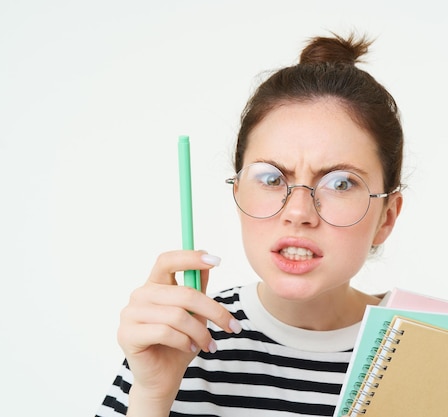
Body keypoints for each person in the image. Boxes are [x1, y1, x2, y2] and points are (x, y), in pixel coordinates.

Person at [96, 32, 405, 417]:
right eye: (273, 179)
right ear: (237, 192)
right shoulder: (176, 340)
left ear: (386, 217)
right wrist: (152, 395)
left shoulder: (441, 354)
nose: (298, 211)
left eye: (340, 183)